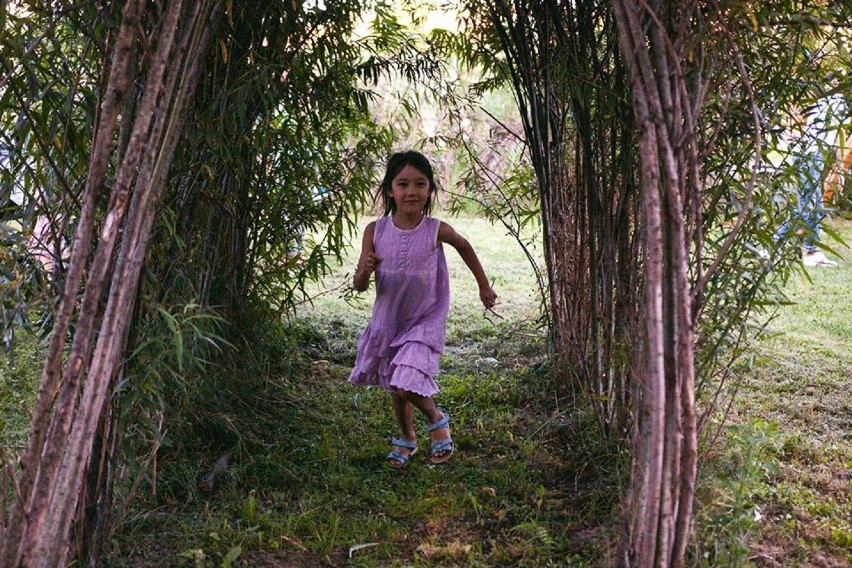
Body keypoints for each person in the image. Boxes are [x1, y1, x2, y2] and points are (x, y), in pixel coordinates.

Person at [348, 150, 497, 468]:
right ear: (390, 190)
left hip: (425, 318)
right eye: (402, 184)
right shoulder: (375, 231)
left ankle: (437, 420)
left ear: (430, 189)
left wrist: (484, 286)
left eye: (420, 184)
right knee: (395, 386)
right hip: (389, 319)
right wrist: (365, 269)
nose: (411, 191)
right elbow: (359, 285)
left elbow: (465, 246)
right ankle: (407, 439)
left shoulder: (435, 229)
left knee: (405, 381)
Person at [775, 94, 847, 267]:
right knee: (811, 206)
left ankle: (785, 243)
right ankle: (806, 250)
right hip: (809, 155)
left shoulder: (833, 101)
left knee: (809, 205)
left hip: (810, 154)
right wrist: (840, 169)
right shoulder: (836, 102)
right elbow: (836, 138)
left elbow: (834, 137)